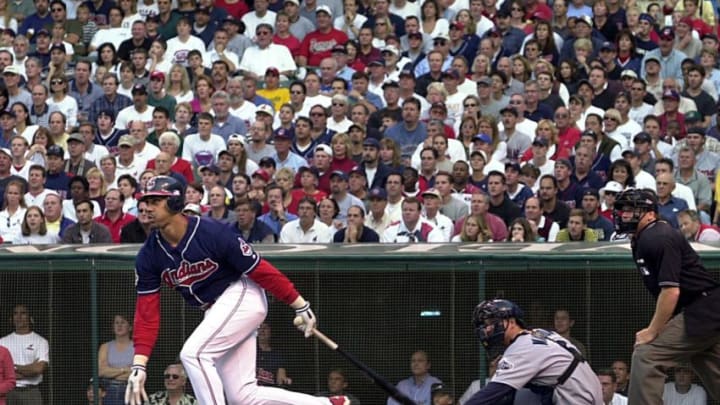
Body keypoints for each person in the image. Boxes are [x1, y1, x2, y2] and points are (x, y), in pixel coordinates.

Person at [124, 176, 351, 405]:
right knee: (243, 397)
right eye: (145, 201)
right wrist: (139, 364)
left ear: (174, 203)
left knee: (194, 354)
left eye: (155, 200)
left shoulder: (212, 232)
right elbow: (146, 314)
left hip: (241, 294)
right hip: (215, 309)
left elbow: (260, 269)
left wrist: (299, 304)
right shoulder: (148, 255)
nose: (146, 207)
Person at [613, 188, 720, 403]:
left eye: (631, 210)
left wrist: (653, 330)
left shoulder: (657, 236)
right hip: (705, 309)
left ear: (650, 213)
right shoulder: (644, 237)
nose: (624, 215)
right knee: (706, 361)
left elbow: (671, 291)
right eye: (622, 210)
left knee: (647, 354)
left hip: (701, 308)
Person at [466, 299, 602, 404]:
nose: (487, 329)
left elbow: (493, 392)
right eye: (484, 325)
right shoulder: (539, 333)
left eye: (491, 322)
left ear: (511, 322)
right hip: (584, 389)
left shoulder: (521, 348)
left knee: (505, 393)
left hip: (576, 397)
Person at [0, 304, 49, 405]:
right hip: (8, 392)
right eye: (15, 313)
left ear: (30, 317)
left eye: (23, 313)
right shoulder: (2, 342)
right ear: (11, 318)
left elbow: (38, 369)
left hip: (30, 392)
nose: (19, 317)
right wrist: (29, 369)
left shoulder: (40, 341)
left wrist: (11, 369)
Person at [98, 314, 133, 405]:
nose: (119, 325)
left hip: (131, 391)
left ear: (130, 327)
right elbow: (101, 371)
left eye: (123, 322)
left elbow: (134, 373)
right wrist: (124, 369)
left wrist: (111, 372)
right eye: (116, 323)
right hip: (109, 391)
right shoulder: (105, 347)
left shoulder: (137, 347)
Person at [256, 322, 291, 387]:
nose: (262, 330)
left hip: (269, 392)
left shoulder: (277, 355)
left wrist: (284, 380)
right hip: (252, 392)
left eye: (265, 328)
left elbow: (281, 378)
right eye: (259, 328)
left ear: (270, 331)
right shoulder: (250, 351)